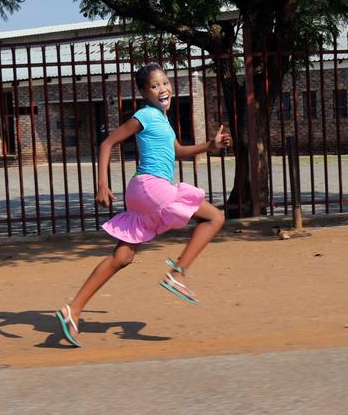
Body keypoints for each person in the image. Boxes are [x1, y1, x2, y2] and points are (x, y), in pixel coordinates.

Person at [56, 62, 232, 347]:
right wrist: (102, 184)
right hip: (151, 187)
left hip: (143, 191)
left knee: (122, 257)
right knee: (214, 218)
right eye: (154, 85)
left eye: (165, 83)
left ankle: (72, 310)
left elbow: (178, 151)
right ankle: (177, 273)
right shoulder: (143, 116)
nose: (162, 89)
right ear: (143, 91)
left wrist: (209, 146)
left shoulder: (163, 119)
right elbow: (106, 143)